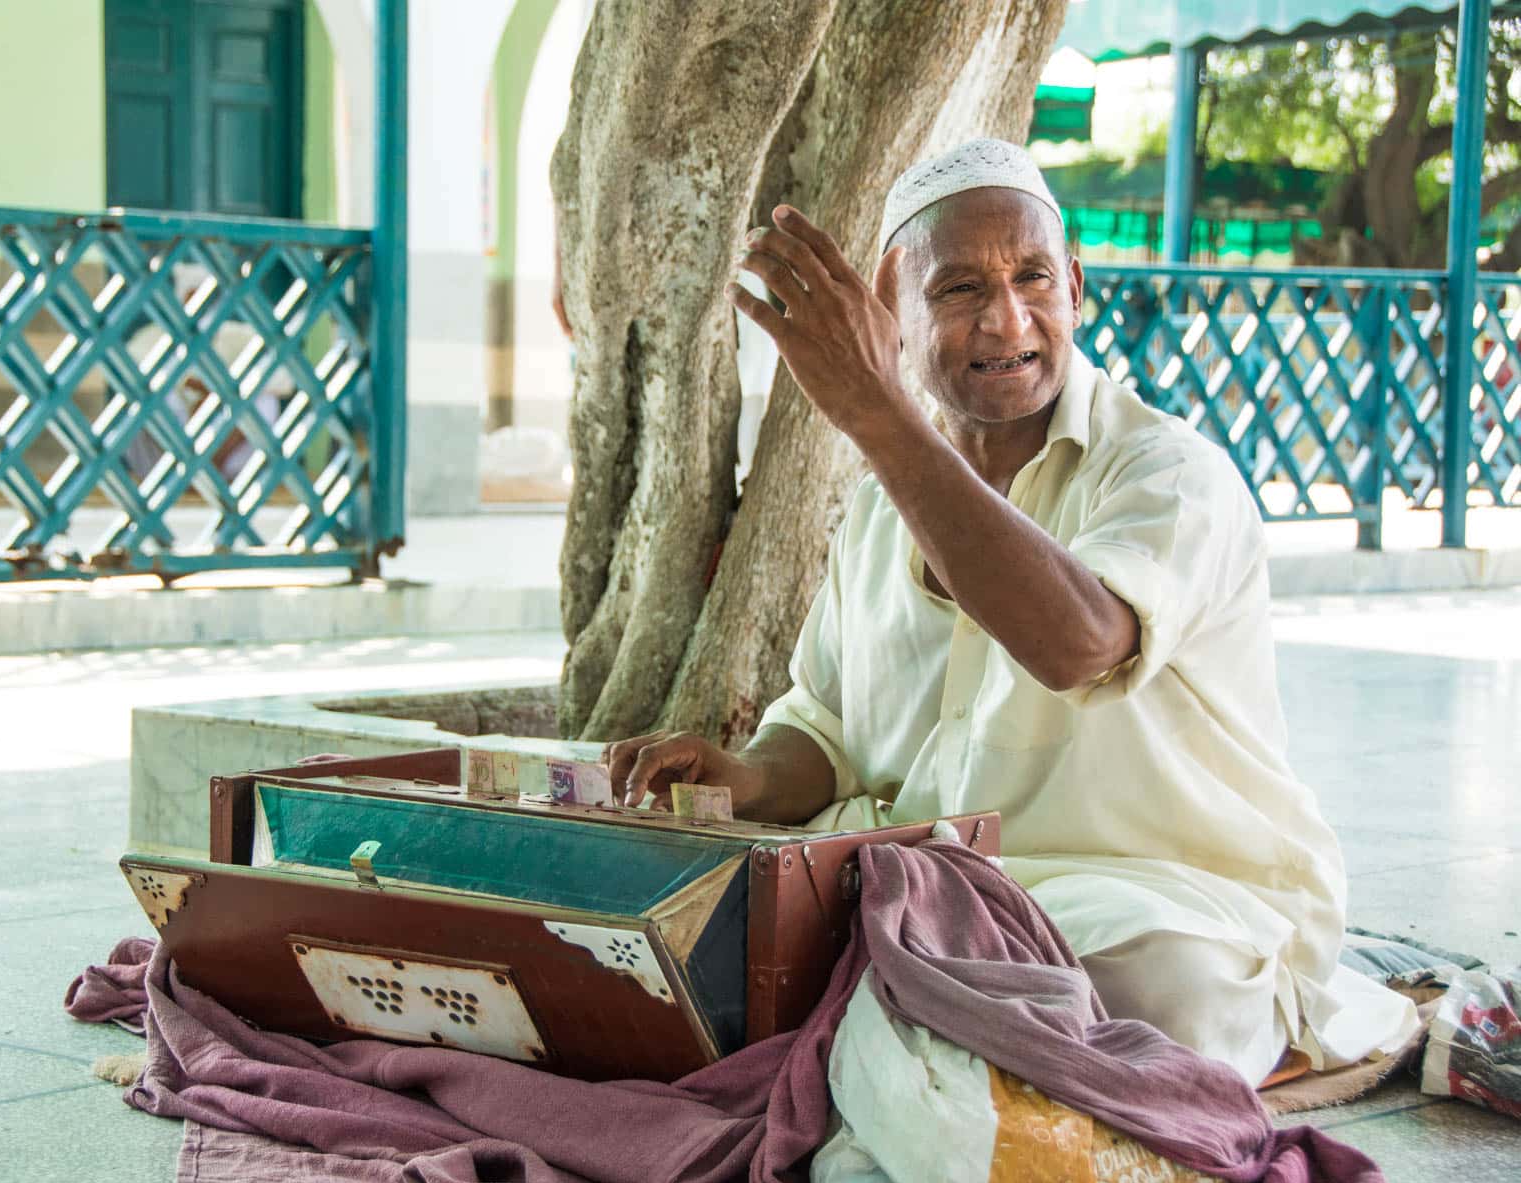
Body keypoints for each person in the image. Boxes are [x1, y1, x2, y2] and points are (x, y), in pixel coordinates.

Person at [603, 138, 1417, 1086]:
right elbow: (825, 733)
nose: (1007, 320)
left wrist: (878, 413)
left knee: (1165, 986)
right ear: (892, 308)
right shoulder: (877, 511)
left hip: (1146, 901)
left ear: (1076, 287)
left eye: (1034, 278)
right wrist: (740, 776)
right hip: (929, 900)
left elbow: (1079, 646)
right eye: (957, 291)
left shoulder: (1168, 473)